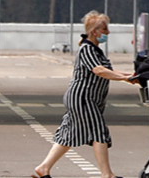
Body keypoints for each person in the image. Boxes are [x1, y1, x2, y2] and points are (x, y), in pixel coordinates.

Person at [34, 11, 138, 178]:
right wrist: (125, 77)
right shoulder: (87, 49)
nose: (107, 33)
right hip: (83, 98)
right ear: (94, 32)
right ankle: (107, 175)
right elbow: (99, 70)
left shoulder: (96, 50)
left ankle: (43, 168)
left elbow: (108, 71)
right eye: (104, 29)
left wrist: (129, 77)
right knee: (99, 132)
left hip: (88, 99)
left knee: (69, 134)